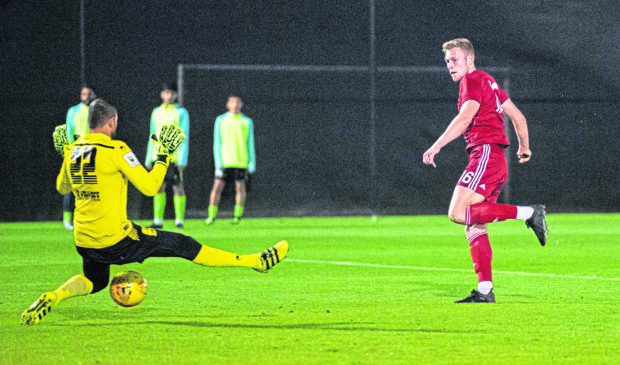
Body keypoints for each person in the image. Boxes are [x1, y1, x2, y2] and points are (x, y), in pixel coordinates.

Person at [21, 99, 287, 326]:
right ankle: (256, 261)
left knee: (96, 280)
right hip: (115, 240)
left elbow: (61, 187)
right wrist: (163, 156)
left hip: (84, 240)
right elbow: (149, 187)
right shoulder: (116, 149)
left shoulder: (73, 150)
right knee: (184, 244)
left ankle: (54, 295)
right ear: (111, 123)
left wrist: (66, 154)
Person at [422, 38, 548, 303]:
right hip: (495, 158)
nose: (450, 65)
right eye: (447, 61)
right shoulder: (490, 82)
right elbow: (518, 117)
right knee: (473, 225)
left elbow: (465, 118)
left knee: (457, 213)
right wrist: (524, 147)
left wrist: (436, 146)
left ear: (470, 59)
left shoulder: (473, 80)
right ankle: (484, 291)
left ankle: (529, 213)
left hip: (486, 155)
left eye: (454, 59)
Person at [205, 94, 256, 225]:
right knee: (217, 187)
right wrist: (218, 163)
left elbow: (250, 143)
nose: (235, 105)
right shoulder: (221, 120)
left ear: (241, 104)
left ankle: (237, 217)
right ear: (228, 104)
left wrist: (251, 163)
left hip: (241, 161)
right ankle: (211, 216)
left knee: (240, 188)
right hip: (225, 162)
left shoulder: (246, 121)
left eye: (237, 102)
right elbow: (217, 142)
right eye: (232, 102)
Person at [145, 82, 189, 229]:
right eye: (165, 93)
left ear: (175, 95)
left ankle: (179, 221)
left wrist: (182, 158)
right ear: (162, 94)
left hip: (174, 156)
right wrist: (148, 157)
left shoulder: (181, 113)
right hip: (158, 156)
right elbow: (152, 134)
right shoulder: (156, 112)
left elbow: (184, 136)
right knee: (159, 186)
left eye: (170, 93)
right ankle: (158, 221)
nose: (168, 96)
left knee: (178, 186)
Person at [62, 86, 96, 230]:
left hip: (92, 152)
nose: (86, 96)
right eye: (83, 93)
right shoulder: (73, 111)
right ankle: (67, 220)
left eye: (88, 94)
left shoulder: (97, 112)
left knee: (89, 188)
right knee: (72, 187)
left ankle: (86, 218)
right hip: (76, 151)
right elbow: (69, 131)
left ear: (93, 95)